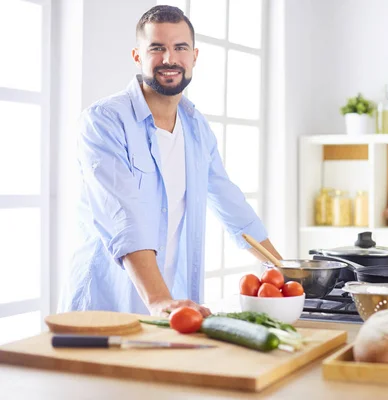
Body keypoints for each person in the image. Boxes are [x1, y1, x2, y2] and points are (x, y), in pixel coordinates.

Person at [58, 5, 282, 317]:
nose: (169, 59)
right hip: (105, 306)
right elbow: (124, 218)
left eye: (180, 48)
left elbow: (231, 205)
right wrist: (159, 299)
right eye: (157, 48)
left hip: (168, 308)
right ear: (137, 56)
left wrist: (283, 270)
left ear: (194, 56)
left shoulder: (195, 126)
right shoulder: (104, 121)